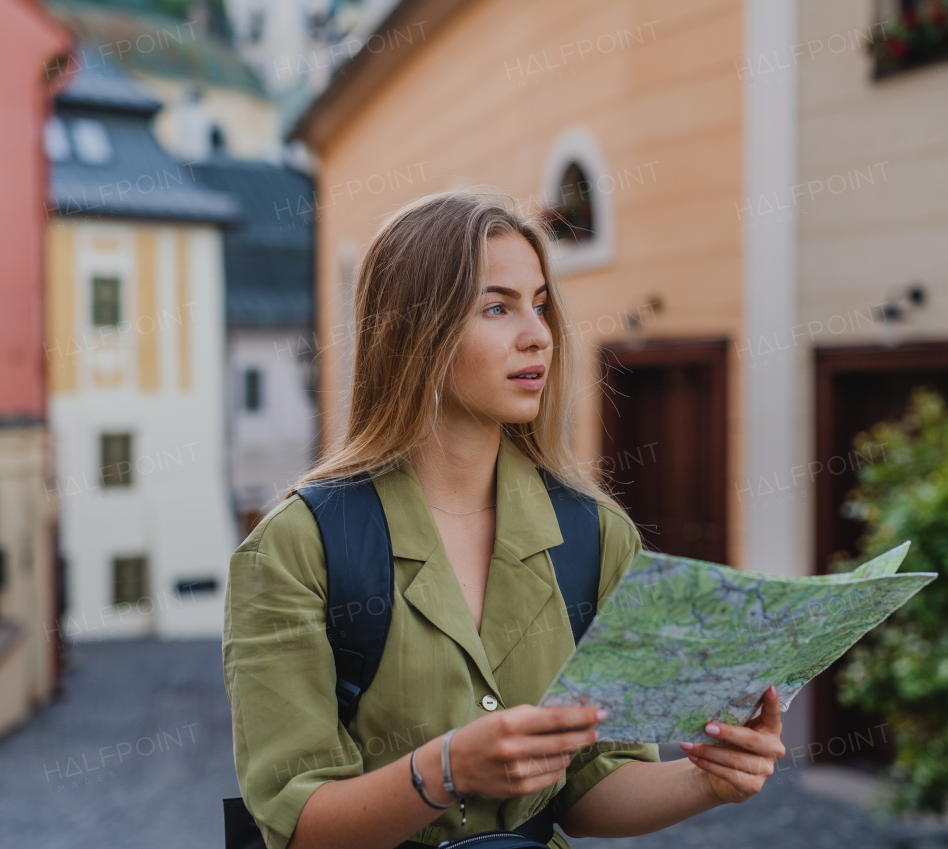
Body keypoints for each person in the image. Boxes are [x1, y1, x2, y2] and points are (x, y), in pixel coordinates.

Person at [222, 188, 786, 849]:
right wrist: (447, 768)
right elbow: (297, 827)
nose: (537, 336)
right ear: (409, 330)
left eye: (540, 306)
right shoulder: (295, 548)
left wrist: (708, 781)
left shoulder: (596, 536)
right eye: (497, 306)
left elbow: (590, 784)